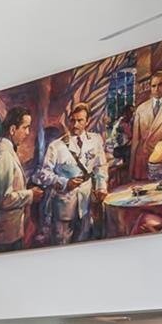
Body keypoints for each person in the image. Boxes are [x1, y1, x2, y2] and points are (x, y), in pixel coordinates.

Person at [37, 103, 109, 244]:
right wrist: (65, 183)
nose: (75, 125)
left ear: (87, 121)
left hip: (86, 204)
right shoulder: (56, 146)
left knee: (84, 240)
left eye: (80, 120)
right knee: (62, 242)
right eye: (72, 120)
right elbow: (44, 174)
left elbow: (100, 166)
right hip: (63, 206)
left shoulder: (95, 141)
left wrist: (101, 187)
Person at [0, 107, 44, 252]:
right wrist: (30, 195)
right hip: (6, 234)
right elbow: (3, 199)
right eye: (25, 127)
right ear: (12, 129)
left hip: (8, 231)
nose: (27, 133)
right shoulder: (4, 155)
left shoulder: (4, 149)